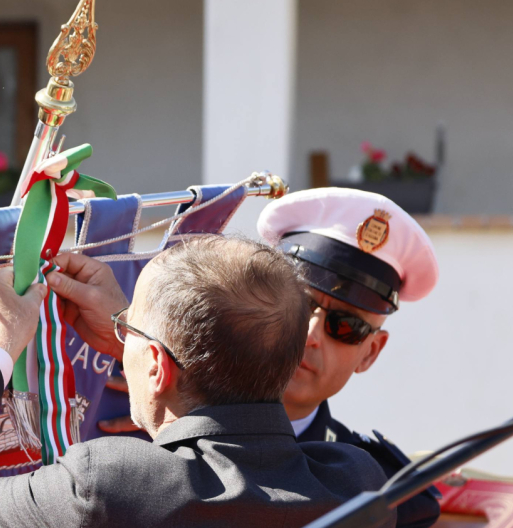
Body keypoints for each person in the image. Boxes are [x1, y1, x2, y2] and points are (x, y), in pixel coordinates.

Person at [0, 236, 393, 528]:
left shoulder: (111, 486)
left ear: (157, 367)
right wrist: (144, 341)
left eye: (129, 329)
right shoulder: (359, 483)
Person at [97, 188, 441, 527]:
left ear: (371, 353)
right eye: (300, 307)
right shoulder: (127, 395)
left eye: (345, 326)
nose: (310, 335)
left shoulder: (389, 498)